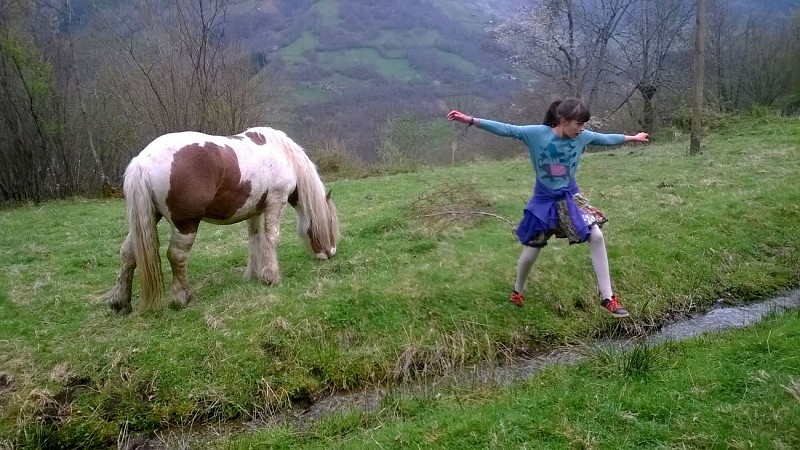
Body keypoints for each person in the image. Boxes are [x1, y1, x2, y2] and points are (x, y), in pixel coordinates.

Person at [447, 98, 649, 318]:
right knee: (532, 250)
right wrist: (470, 120)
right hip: (544, 200)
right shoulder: (537, 134)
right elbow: (506, 129)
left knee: (596, 236)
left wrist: (633, 138)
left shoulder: (583, 137)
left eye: (583, 125)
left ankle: (607, 298)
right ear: (563, 121)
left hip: (569, 197)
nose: (582, 130)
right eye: (578, 125)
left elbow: (606, 138)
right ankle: (518, 290)